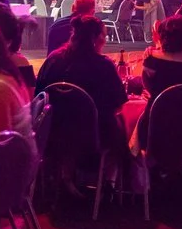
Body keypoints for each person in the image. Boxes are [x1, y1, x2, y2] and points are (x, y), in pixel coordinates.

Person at [37, 14, 131, 184]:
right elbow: (118, 105)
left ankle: (64, 175)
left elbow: (39, 96)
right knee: (121, 127)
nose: (105, 39)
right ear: (95, 39)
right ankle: (109, 183)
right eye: (104, 35)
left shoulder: (53, 59)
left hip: (53, 132)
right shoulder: (103, 65)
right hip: (94, 136)